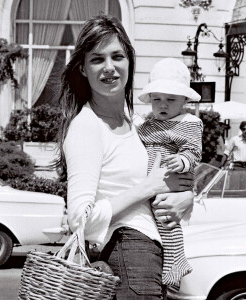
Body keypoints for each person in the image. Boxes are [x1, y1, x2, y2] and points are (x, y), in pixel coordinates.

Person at [56, 14, 194, 300]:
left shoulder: (137, 123)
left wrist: (185, 199)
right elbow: (79, 220)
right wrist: (147, 188)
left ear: (129, 61)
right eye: (97, 59)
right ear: (82, 68)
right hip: (128, 250)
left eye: (117, 56)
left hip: (152, 254)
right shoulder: (86, 126)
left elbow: (167, 181)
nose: (109, 68)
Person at [138, 58, 203, 287]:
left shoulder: (188, 123)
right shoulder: (146, 122)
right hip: (149, 182)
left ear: (184, 100)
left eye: (170, 99)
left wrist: (183, 160)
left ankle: (176, 261)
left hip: (170, 178)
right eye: (156, 99)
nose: (162, 105)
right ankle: (170, 262)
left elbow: (194, 150)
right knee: (156, 222)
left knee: (167, 219)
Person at [221, 121, 246, 189]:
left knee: (245, 189)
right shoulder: (234, 139)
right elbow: (226, 153)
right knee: (234, 188)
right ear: (241, 129)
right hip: (236, 166)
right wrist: (222, 166)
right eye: (244, 129)